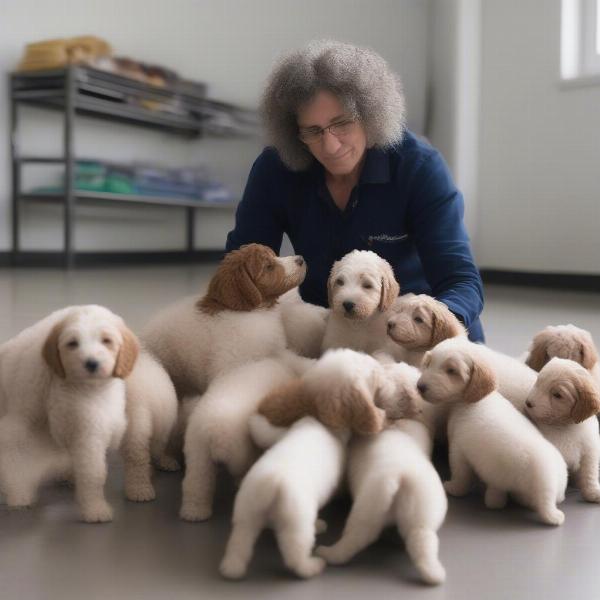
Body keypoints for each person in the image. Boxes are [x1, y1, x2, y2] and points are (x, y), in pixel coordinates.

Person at [226, 39, 484, 342]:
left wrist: (435, 330)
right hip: (328, 327)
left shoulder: (419, 168)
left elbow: (460, 281)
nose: (330, 145)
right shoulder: (275, 168)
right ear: (294, 132)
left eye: (342, 123)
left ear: (370, 115)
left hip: (413, 328)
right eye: (313, 131)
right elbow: (241, 269)